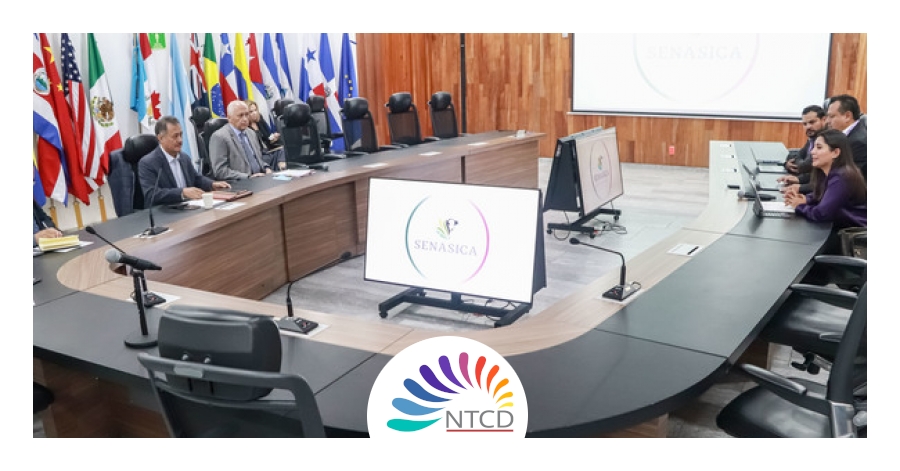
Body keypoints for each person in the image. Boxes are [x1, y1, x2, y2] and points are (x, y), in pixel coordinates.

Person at [138, 116, 231, 206]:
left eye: (181, 135)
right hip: (164, 212)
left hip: (188, 207)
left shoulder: (184, 157)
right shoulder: (148, 163)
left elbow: (196, 178)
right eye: (175, 136)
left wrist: (212, 184)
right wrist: (182, 193)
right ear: (160, 138)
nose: (180, 140)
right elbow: (152, 195)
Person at [783, 129, 866, 229]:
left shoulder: (842, 177)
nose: (812, 152)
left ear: (835, 152)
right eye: (814, 147)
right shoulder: (828, 172)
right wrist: (806, 199)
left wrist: (798, 206)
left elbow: (822, 214)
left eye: (819, 147)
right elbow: (825, 194)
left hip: (852, 232)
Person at [209, 101, 273, 180]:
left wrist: (266, 168)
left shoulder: (251, 133)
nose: (245, 119)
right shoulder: (220, 137)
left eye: (247, 114)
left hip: (261, 178)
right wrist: (248, 177)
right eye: (240, 115)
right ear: (229, 118)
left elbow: (258, 159)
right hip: (240, 183)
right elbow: (220, 171)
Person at [778, 105, 826, 194]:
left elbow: (805, 166)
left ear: (824, 120)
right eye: (805, 124)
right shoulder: (812, 138)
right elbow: (794, 155)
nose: (808, 127)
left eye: (812, 122)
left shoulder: (826, 140)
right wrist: (787, 164)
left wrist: (799, 168)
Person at [824, 94, 867, 177]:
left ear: (847, 116)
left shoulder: (859, 142)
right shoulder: (844, 135)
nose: (827, 121)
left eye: (831, 116)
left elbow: (848, 178)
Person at [246, 100, 286, 171]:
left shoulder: (260, 120)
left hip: (269, 150)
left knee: (283, 150)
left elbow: (268, 137)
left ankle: (281, 169)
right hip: (260, 155)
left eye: (255, 110)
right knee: (269, 158)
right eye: (251, 112)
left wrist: (273, 138)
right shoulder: (246, 127)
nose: (255, 113)